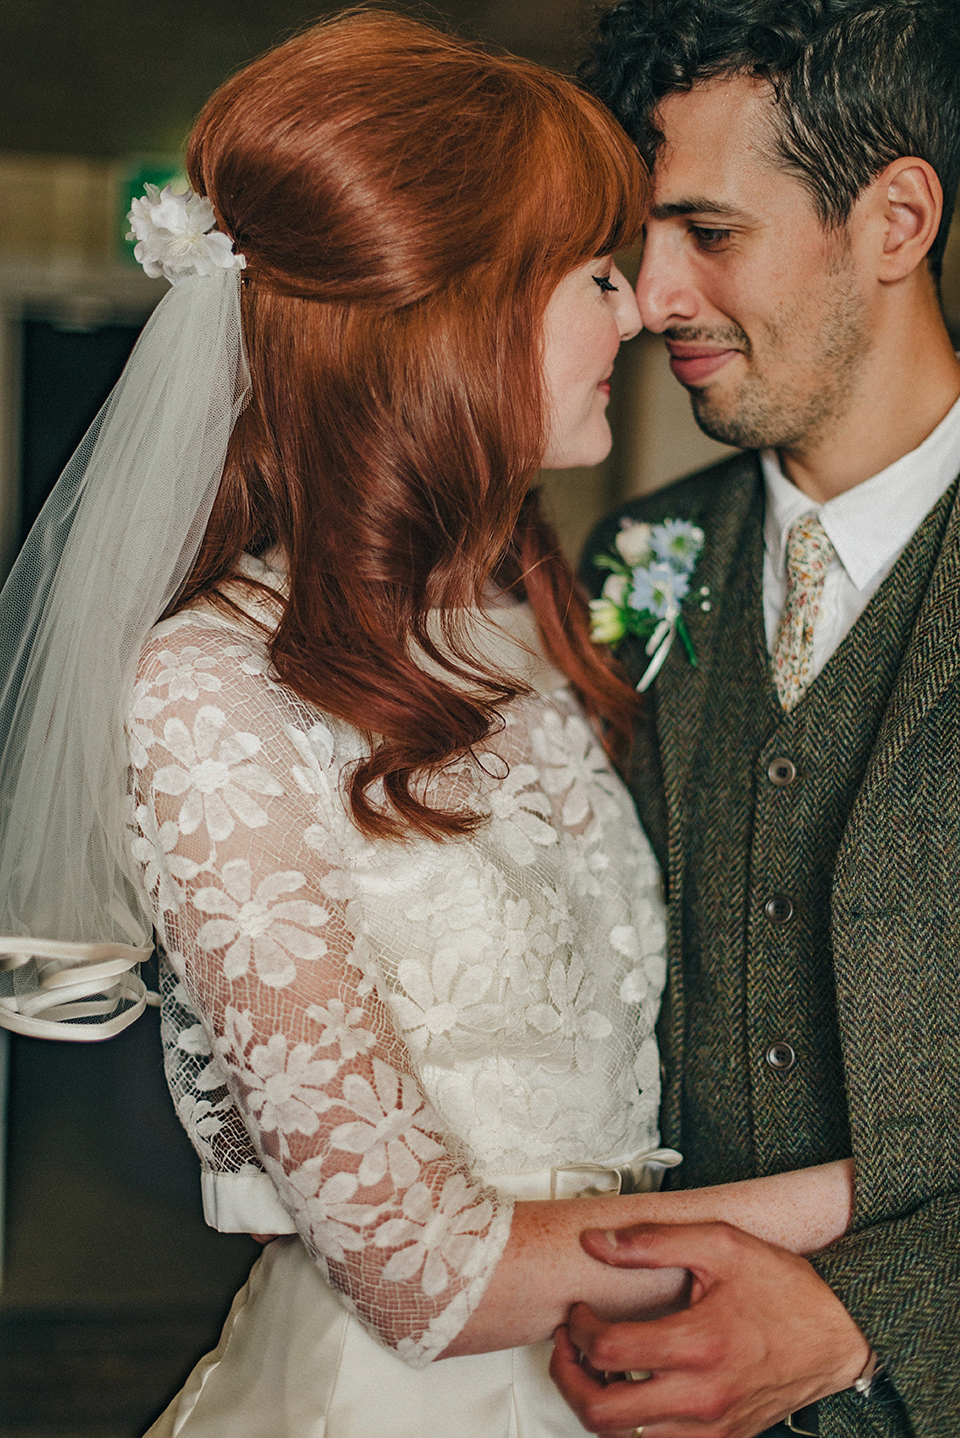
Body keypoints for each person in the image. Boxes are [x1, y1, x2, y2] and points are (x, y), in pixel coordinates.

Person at [0, 12, 858, 1438]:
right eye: (594, 271)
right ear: (453, 316)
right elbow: (420, 1270)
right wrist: (887, 1192)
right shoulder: (207, 691)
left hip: (644, 1376)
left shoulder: (516, 613)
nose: (640, 310)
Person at [555, 1, 960, 1436]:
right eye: (640, 243)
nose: (653, 296)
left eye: (709, 234)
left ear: (896, 217)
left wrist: (878, 1314)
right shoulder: (631, 564)